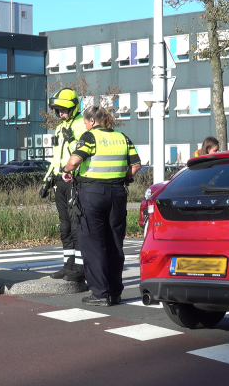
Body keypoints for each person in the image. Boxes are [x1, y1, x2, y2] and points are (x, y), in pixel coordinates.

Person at [62, 106, 141, 306]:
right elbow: (136, 166)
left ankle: (100, 293)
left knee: (93, 244)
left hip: (93, 194)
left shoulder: (90, 137)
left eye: (86, 122)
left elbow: (73, 162)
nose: (85, 125)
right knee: (115, 243)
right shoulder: (122, 137)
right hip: (118, 194)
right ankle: (115, 292)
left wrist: (66, 170)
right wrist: (121, 177)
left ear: (92, 121)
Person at [42, 88, 87, 282]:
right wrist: (47, 179)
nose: (61, 113)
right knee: (64, 225)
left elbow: (83, 154)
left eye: (64, 109)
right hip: (60, 180)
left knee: (76, 224)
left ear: (74, 107)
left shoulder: (82, 125)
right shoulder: (60, 128)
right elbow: (56, 157)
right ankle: (68, 264)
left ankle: (79, 267)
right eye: (58, 110)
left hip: (75, 179)